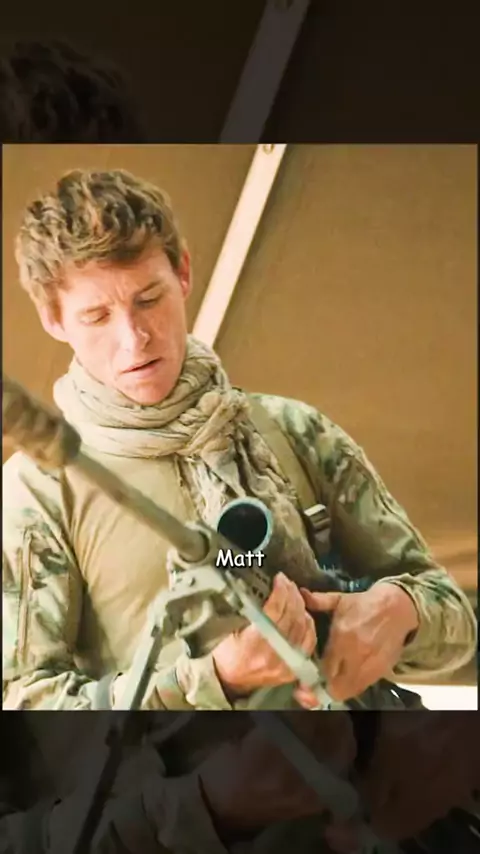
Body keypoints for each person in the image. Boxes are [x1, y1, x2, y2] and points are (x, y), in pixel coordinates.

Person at [2, 167, 477, 712]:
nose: (134, 338)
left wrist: (400, 611)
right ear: (54, 318)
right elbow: (27, 711)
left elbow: (456, 621)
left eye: (149, 298)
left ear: (183, 272)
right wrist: (214, 681)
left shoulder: (295, 434)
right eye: (97, 316)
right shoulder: (39, 492)